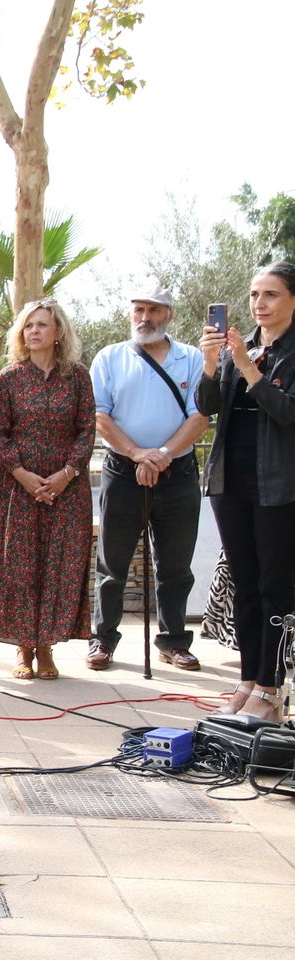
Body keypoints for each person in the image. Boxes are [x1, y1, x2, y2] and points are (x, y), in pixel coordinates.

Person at [0, 298, 95, 680]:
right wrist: (22, 474)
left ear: (59, 333)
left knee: (58, 567)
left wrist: (66, 474)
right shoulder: (9, 378)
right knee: (21, 568)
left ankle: (47, 646)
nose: (35, 331)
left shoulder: (78, 376)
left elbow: (87, 429)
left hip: (66, 490)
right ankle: (24, 649)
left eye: (42, 325)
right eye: (29, 326)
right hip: (18, 488)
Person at [86, 281, 208, 672]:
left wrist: (162, 456)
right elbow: (100, 416)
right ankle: (102, 640)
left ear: (168, 315)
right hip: (123, 471)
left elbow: (200, 415)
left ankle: (173, 642)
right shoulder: (109, 357)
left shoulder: (191, 358)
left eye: (154, 310)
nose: (145, 317)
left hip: (178, 472)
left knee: (175, 564)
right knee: (112, 563)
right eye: (138, 309)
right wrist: (138, 453)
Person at [197, 261, 295, 720]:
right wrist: (213, 364)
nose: (260, 303)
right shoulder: (245, 347)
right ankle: (249, 680)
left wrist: (248, 370)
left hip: (278, 485)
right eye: (255, 294)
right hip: (230, 480)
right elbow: (207, 406)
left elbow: (288, 413)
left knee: (274, 587)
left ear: (292, 300)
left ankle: (272, 689)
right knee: (245, 583)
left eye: (271, 294)